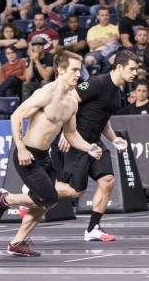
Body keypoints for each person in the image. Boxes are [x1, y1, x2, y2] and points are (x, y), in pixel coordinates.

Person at [0, 50, 103, 256]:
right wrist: (21, 148)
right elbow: (17, 116)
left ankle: (17, 243)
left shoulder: (72, 102)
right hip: (28, 155)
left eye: (80, 70)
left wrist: (89, 147)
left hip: (44, 157)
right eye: (74, 70)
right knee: (49, 198)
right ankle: (7, 199)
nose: (78, 75)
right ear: (60, 70)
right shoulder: (46, 93)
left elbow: (70, 133)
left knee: (43, 205)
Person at [56, 51, 140, 241]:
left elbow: (103, 119)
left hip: (95, 142)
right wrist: (64, 132)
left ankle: (93, 229)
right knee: (76, 191)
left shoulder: (119, 93)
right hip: (77, 139)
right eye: (131, 68)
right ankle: (36, 192)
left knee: (107, 180)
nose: (135, 73)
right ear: (119, 67)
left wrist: (113, 138)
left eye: (136, 69)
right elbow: (70, 101)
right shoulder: (97, 83)